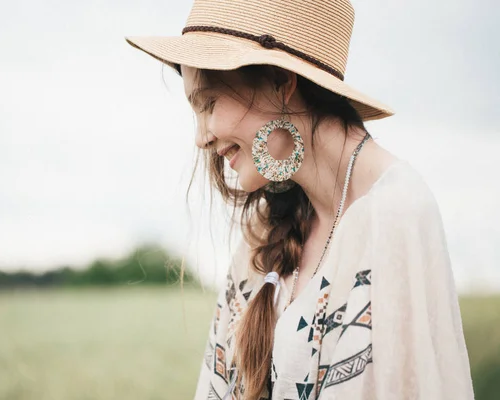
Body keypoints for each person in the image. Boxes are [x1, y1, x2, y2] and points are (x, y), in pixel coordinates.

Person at [125, 1, 475, 399]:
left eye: (207, 104)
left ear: (280, 81)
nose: (201, 136)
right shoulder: (265, 229)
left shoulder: (395, 214)